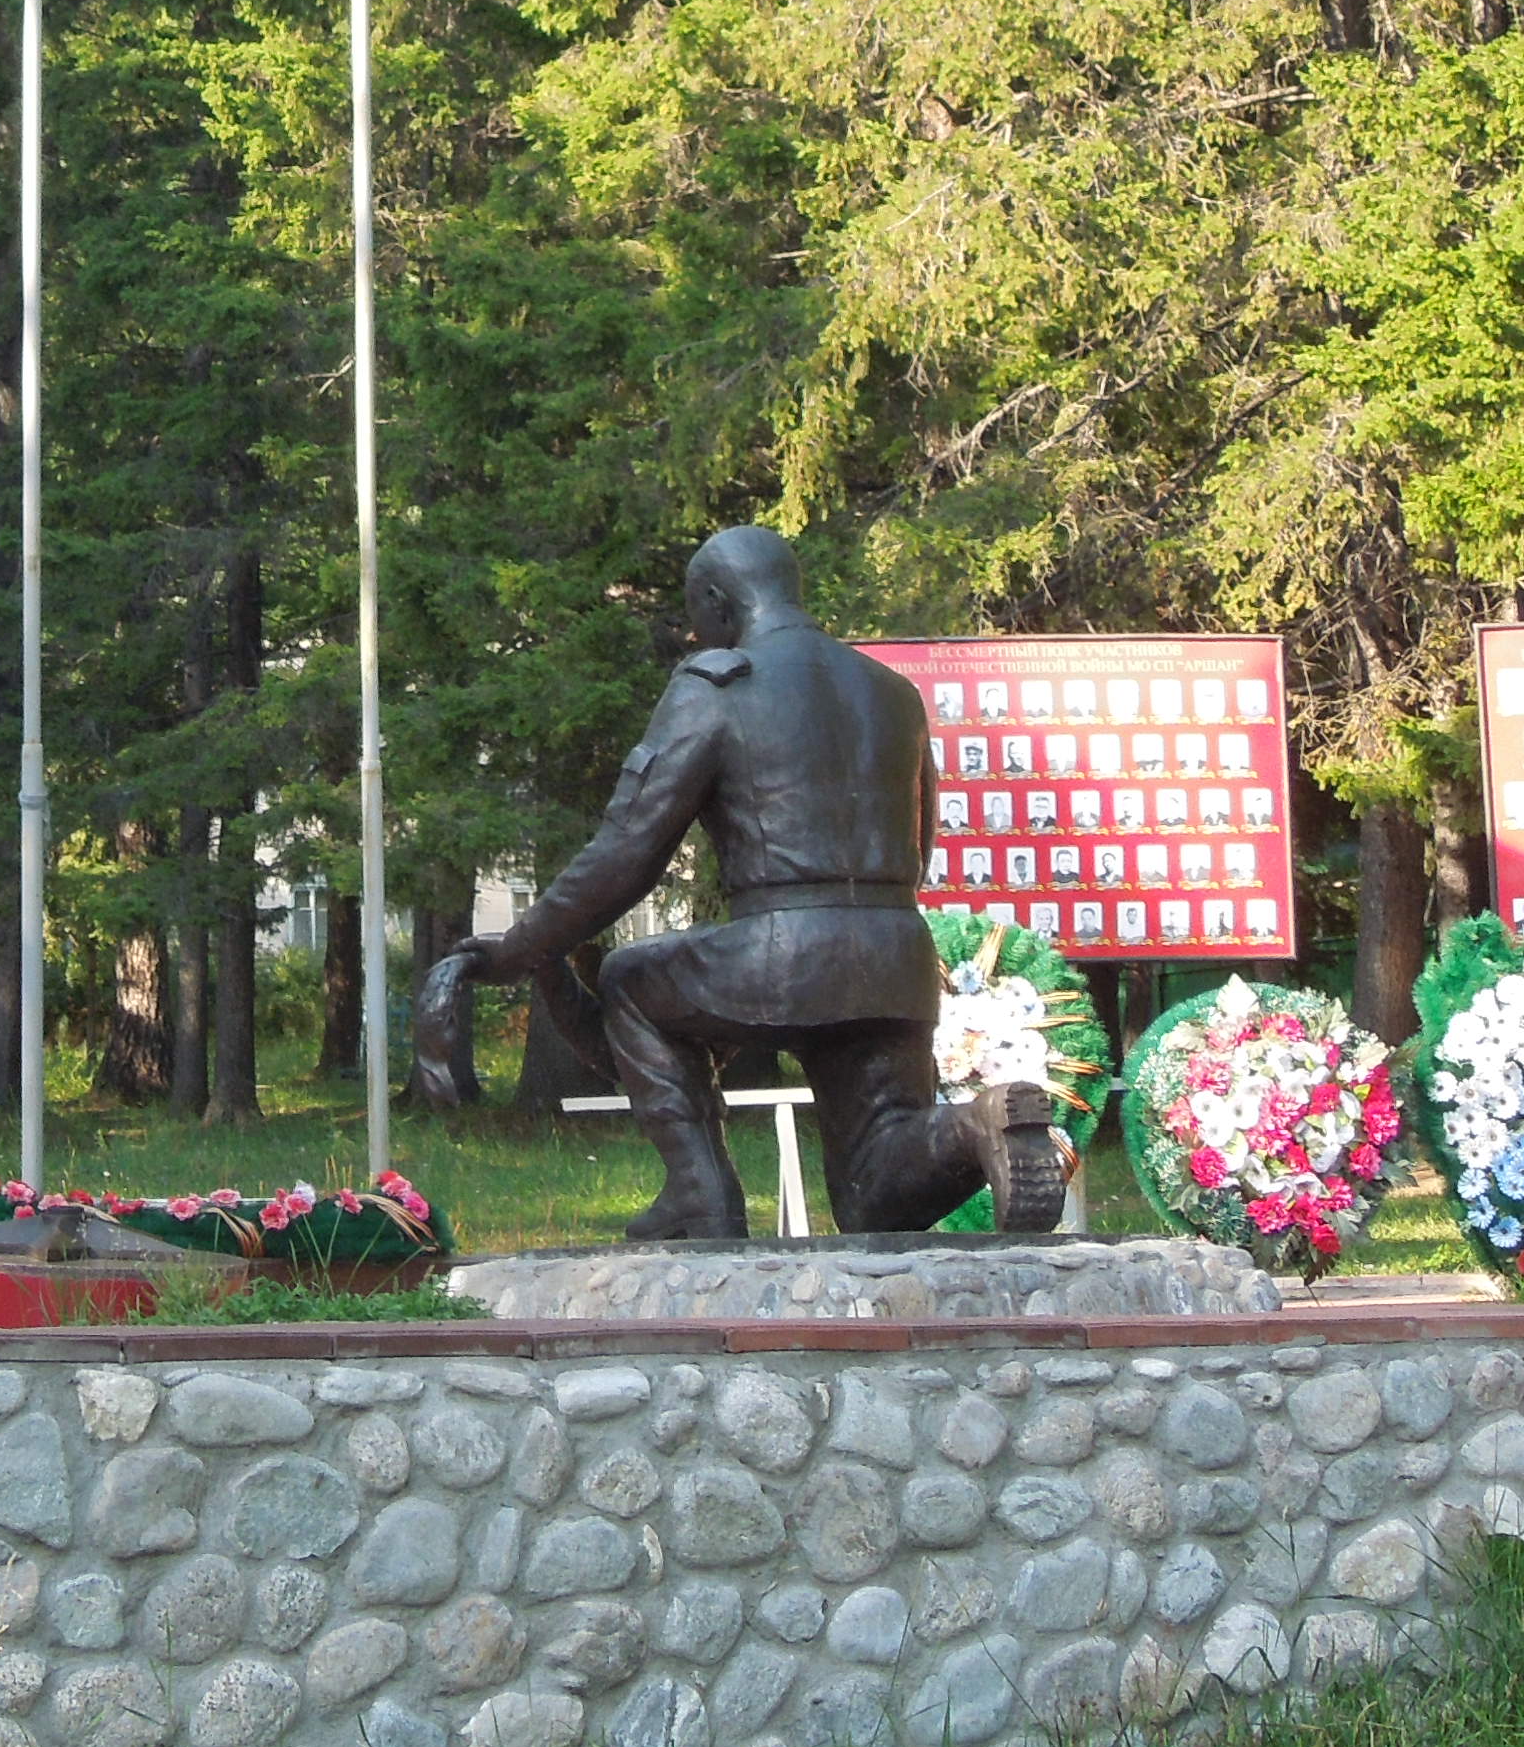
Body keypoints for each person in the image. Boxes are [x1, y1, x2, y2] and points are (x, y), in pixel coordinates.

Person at [422, 526, 1059, 1240]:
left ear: (717, 603)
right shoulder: (890, 692)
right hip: (893, 952)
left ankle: (700, 1192)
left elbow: (628, 851)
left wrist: (516, 949)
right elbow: (923, 838)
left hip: (783, 952)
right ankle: (979, 1123)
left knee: (633, 979)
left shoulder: (715, 685)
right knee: (876, 1193)